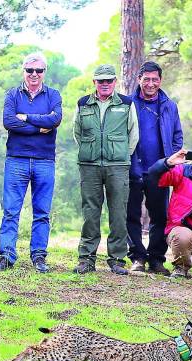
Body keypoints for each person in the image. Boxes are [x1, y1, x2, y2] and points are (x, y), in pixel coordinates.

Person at [0, 52, 62, 273]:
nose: (34, 74)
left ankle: (39, 256)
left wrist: (25, 117)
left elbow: (55, 120)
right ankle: (6, 255)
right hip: (17, 160)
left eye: (39, 70)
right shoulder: (13, 94)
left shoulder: (54, 95)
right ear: (23, 71)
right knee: (11, 211)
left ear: (44, 72)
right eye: (30, 70)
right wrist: (40, 126)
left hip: (45, 161)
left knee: (42, 212)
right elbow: (8, 121)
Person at [72, 64, 139, 275]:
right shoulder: (83, 103)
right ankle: (86, 258)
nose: (105, 84)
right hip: (89, 166)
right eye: (101, 81)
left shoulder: (127, 104)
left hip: (118, 166)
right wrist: (90, 151)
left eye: (109, 80)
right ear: (94, 82)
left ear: (115, 82)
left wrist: (121, 155)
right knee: (90, 212)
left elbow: (133, 134)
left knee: (118, 212)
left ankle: (117, 259)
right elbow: (77, 133)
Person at [127, 61, 183, 276]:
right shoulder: (128, 103)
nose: (151, 83)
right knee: (131, 215)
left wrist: (171, 159)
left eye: (155, 79)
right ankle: (138, 257)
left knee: (159, 216)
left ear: (160, 80)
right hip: (133, 168)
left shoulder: (169, 105)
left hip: (160, 170)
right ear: (139, 79)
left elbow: (177, 136)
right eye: (146, 79)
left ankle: (157, 260)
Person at [147, 138, 192, 278]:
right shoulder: (183, 172)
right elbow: (152, 176)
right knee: (183, 236)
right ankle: (181, 268)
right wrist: (168, 163)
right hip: (182, 234)